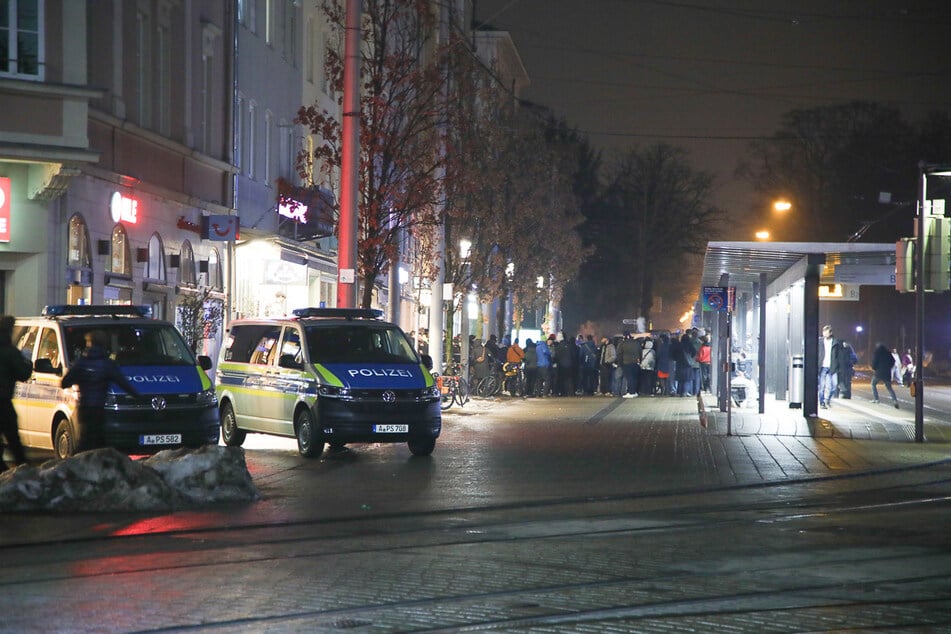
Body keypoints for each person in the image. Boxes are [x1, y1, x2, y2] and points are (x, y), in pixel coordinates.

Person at [61, 330, 144, 452]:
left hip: (84, 408)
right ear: (104, 345)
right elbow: (123, 383)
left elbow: (64, 383)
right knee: (98, 441)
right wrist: (137, 396)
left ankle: (77, 465)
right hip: (99, 408)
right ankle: (96, 466)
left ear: (90, 344)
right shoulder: (107, 364)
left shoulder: (81, 363)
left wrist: (80, 379)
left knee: (86, 440)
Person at [0, 315, 33, 472]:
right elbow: (23, 374)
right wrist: (27, 360)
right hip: (4, 402)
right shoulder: (9, 351)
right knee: (13, 440)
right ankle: (23, 471)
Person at [817, 325, 842, 409]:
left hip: (832, 367)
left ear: (830, 333)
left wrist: (838, 366)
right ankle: (822, 402)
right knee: (822, 386)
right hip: (823, 367)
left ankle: (827, 399)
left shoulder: (835, 343)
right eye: (824, 332)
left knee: (834, 386)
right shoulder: (820, 342)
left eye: (826, 332)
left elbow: (838, 356)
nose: (824, 334)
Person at [870, 342, 899, 409]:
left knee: (873, 384)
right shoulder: (888, 353)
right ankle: (895, 401)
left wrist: (874, 368)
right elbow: (893, 361)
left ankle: (876, 399)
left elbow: (874, 362)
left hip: (879, 372)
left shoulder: (877, 353)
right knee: (889, 388)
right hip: (887, 373)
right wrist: (889, 367)